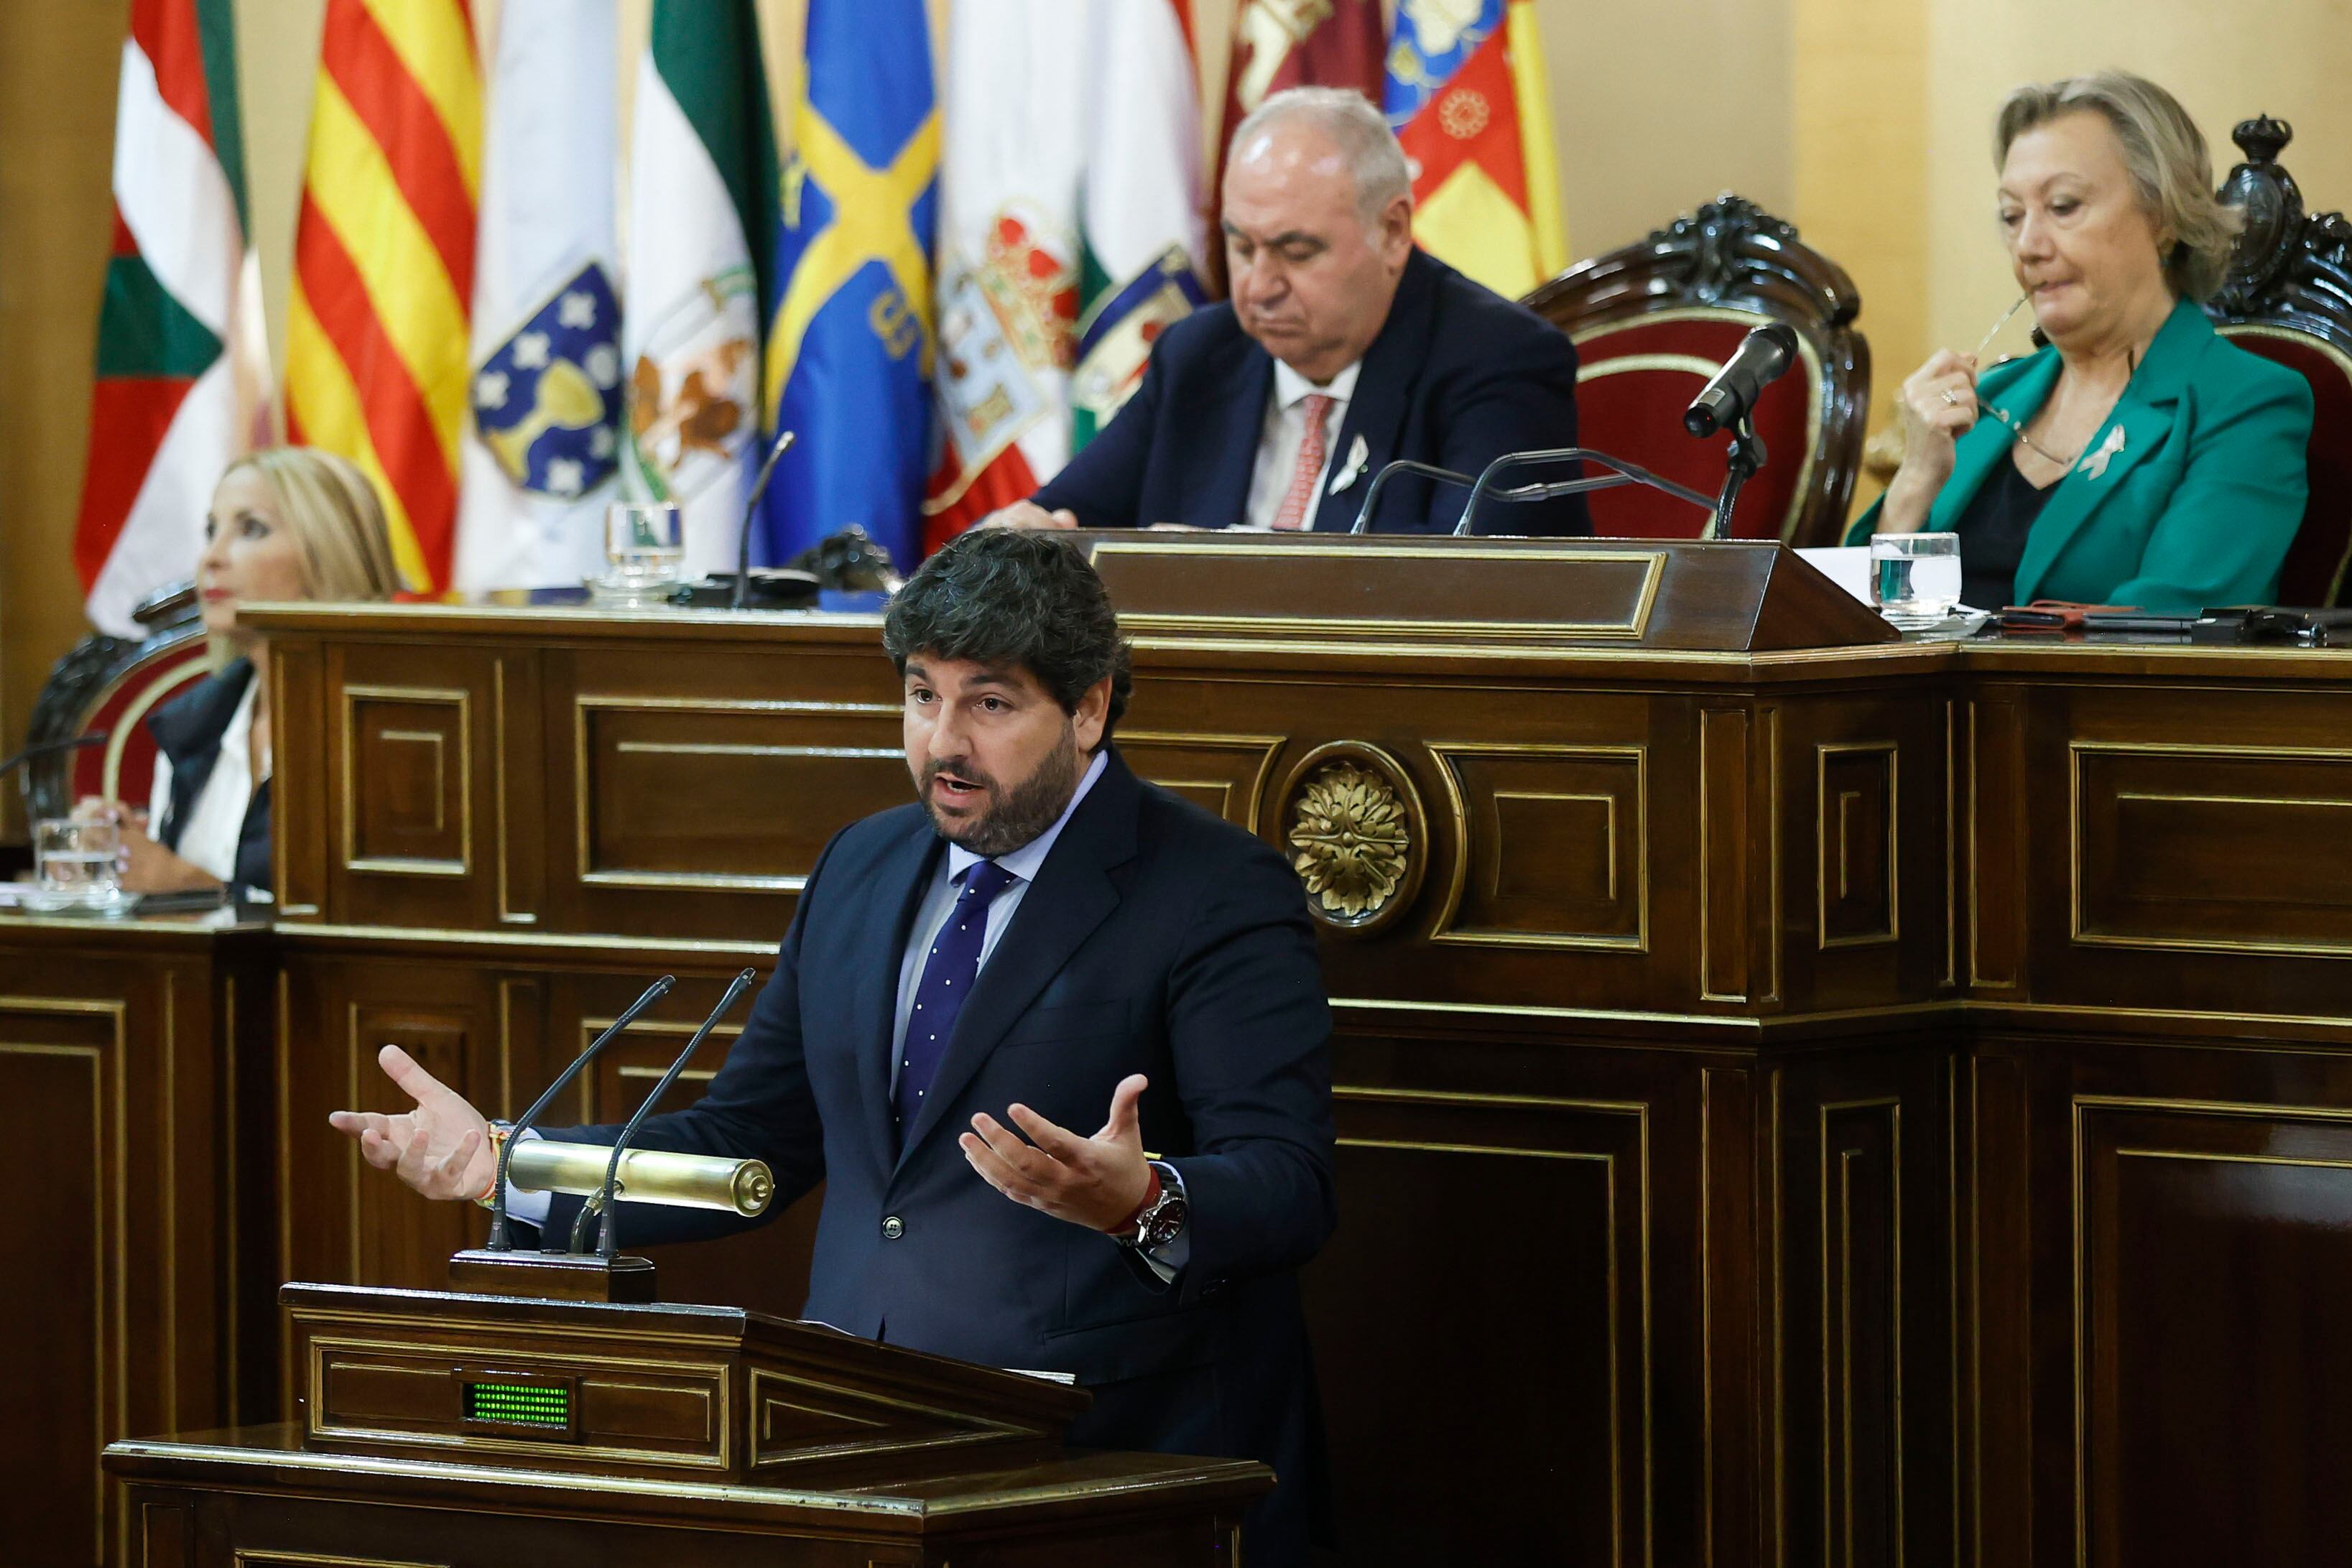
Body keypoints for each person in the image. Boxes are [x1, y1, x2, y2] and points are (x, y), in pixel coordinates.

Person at [328, 529, 1339, 1563]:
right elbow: (749, 1136)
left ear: (1088, 707)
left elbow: (1288, 1180)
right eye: (920, 695)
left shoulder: (1213, 886)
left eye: (989, 703)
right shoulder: (862, 863)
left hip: (1102, 1461)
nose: (944, 741)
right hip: (852, 1432)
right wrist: (511, 1161)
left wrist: (1144, 1198)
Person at [993, 86, 1588, 536]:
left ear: (1393, 231)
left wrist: (1220, 575)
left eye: (1296, 251)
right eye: (1241, 246)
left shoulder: (1498, 360)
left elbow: (1480, 603)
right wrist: (1020, 543)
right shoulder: (1201, 353)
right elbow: (1055, 521)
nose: (1258, 286)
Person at [1852, 72, 2313, 612]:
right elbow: (1849, 630)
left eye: (2064, 206)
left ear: (2162, 218)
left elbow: (2171, 630)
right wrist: (1915, 481)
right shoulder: (1986, 401)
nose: (2027, 245)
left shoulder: (2248, 403)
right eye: (2011, 216)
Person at [81, 447, 400, 896]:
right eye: (212, 530)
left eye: (251, 529)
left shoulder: (392, 734)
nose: (211, 556)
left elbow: (383, 923)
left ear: (329, 553)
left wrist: (190, 885)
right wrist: (118, 849)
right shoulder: (192, 727)